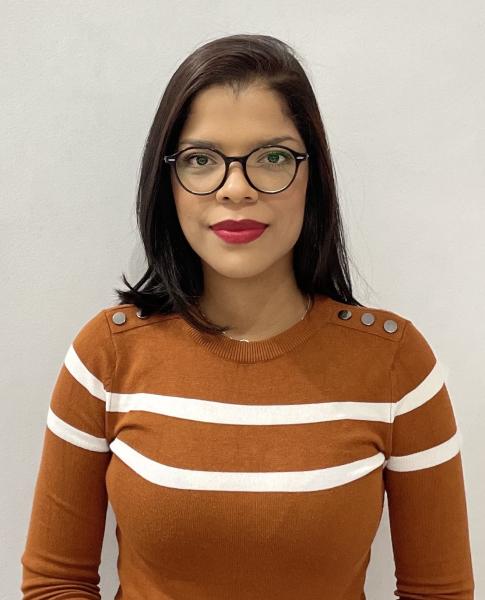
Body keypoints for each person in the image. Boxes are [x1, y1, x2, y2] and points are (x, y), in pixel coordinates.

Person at [20, 34, 475, 599]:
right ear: (167, 182)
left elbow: (439, 593)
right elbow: (55, 582)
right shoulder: (107, 355)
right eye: (201, 160)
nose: (235, 189)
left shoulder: (395, 362)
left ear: (312, 176)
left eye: (273, 157)